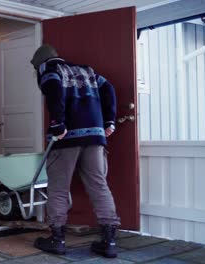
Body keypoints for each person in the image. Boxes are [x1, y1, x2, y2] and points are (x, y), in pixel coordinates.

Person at [30, 45, 120, 258]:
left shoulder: (50, 71)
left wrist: (57, 123)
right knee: (99, 185)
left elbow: (53, 88)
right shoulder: (88, 71)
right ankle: (109, 242)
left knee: (59, 188)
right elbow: (109, 89)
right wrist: (109, 120)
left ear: (41, 64)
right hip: (95, 136)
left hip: (67, 137)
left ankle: (57, 240)